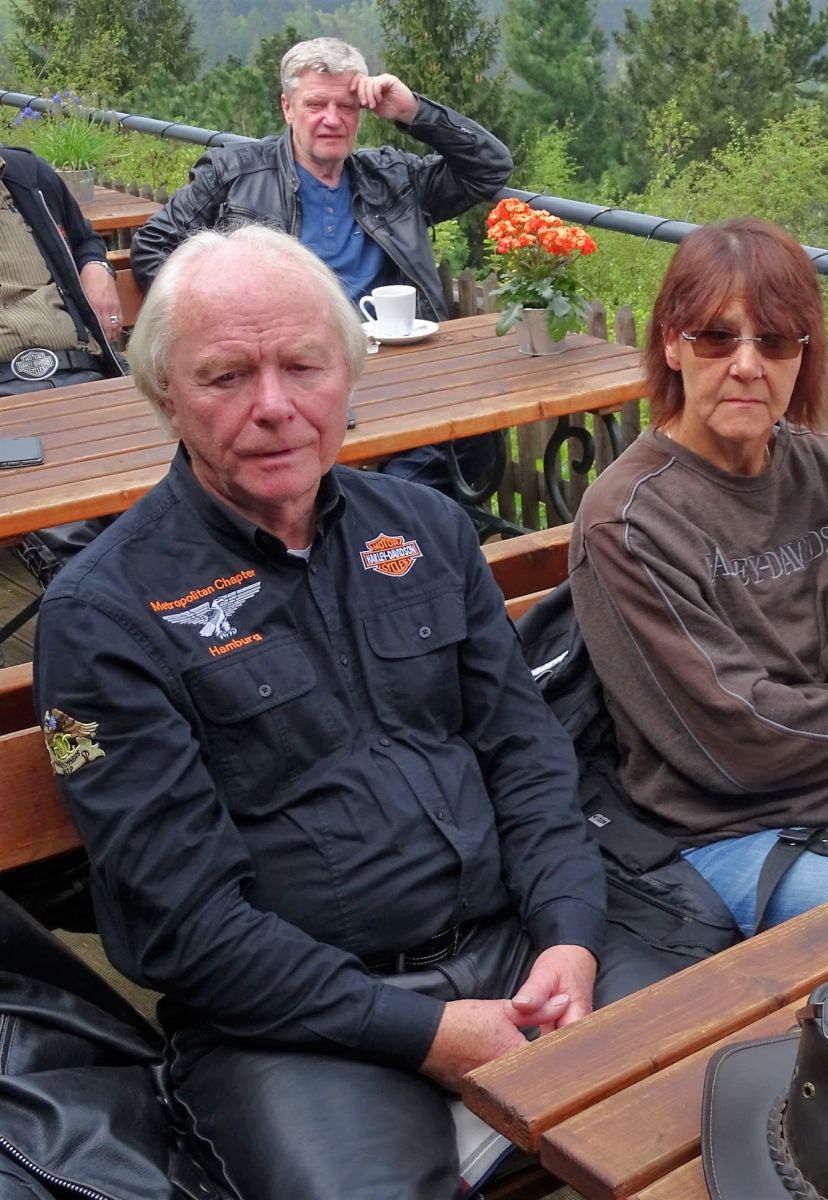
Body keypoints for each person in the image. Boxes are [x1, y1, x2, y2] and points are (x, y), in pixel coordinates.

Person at [34, 225, 604, 1199]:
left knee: (728, 1088)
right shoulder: (106, 615)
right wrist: (423, 1033)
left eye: (303, 366)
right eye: (226, 376)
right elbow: (186, 920)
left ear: (347, 373)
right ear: (165, 393)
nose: (273, 406)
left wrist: (571, 935)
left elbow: (527, 756)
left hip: (516, 946)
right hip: (291, 1025)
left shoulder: (425, 529)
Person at [568, 217, 828, 937]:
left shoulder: (827, 467)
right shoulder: (630, 520)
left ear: (802, 356)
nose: (747, 365)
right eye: (718, 337)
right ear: (673, 345)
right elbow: (740, 741)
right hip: (737, 832)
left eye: (774, 341)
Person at [132, 36, 511, 493]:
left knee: (474, 436)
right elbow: (152, 246)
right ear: (287, 108)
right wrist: (223, 314)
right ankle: (371, 515)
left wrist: (412, 111)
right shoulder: (234, 173)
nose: (332, 119)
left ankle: (371, 514)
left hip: (396, 370)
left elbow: (490, 168)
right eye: (315, 105)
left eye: (346, 107)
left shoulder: (393, 176)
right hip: (287, 370)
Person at [2, 144, 125, 588]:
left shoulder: (25, 173)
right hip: (5, 403)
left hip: (83, 375)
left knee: (176, 496)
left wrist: (96, 266)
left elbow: (85, 237)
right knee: (75, 543)